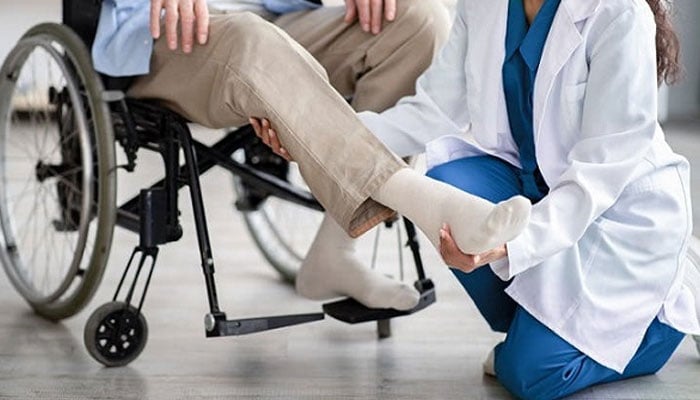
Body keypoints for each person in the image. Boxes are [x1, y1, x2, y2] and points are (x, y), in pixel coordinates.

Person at [259, 0, 700, 398]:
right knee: (448, 179)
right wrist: (316, 137)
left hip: (614, 218)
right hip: (533, 192)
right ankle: (539, 326)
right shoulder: (485, 4)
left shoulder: (618, 13)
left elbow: (600, 175)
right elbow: (430, 113)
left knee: (531, 376)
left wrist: (511, 247)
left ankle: (666, 317)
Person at [91, 0, 531, 311]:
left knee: (418, 19)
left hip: (281, 15)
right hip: (169, 30)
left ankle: (334, 251)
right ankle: (425, 201)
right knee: (251, 38)